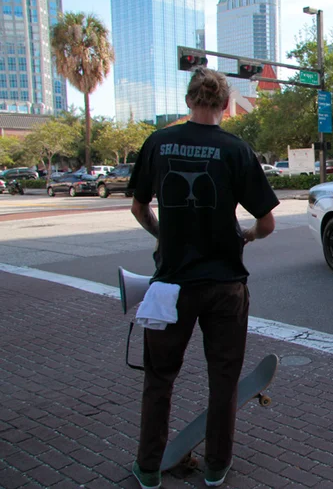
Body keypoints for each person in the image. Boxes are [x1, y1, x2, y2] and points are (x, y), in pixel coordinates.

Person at [128, 67, 279, 489]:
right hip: (225, 285)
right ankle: (216, 468)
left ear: (188, 100)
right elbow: (267, 222)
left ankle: (148, 469)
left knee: (159, 379)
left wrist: (165, 237)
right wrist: (245, 236)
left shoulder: (157, 143)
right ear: (226, 104)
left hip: (171, 285)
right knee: (224, 379)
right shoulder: (236, 149)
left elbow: (139, 208)